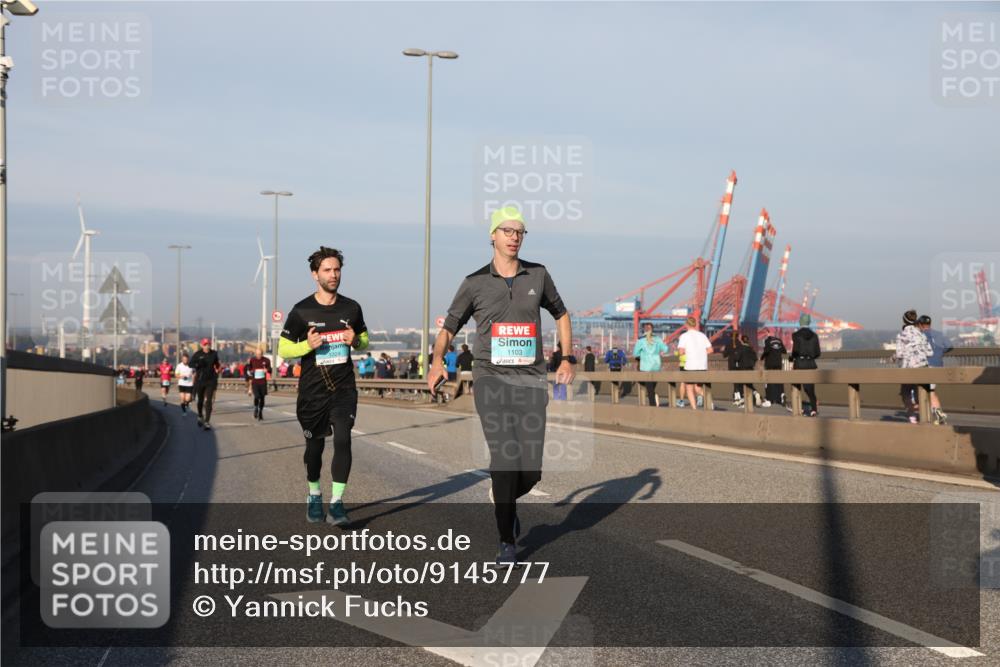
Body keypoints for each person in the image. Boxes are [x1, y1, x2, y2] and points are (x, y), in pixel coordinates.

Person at [429, 206, 574, 566]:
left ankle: (503, 493)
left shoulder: (538, 275)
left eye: (519, 232)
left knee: (531, 470)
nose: (513, 236)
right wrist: (436, 362)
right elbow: (449, 328)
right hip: (490, 379)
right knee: (506, 458)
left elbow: (562, 314)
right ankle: (506, 540)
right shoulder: (474, 282)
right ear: (492, 235)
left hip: (531, 381)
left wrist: (567, 358)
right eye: (506, 230)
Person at [278, 246, 369, 526]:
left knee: (343, 439)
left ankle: (337, 504)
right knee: (314, 449)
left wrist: (355, 340)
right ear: (314, 274)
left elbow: (364, 341)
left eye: (337, 269)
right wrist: (308, 345)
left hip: (343, 389)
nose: (333, 275)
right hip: (312, 392)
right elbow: (283, 348)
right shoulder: (301, 310)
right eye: (327, 270)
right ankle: (314, 493)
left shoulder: (351, 308)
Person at [894, 309, 932, 424]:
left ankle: (912, 417)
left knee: (905, 393)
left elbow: (899, 354)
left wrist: (893, 358)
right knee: (920, 392)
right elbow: (930, 352)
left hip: (908, 369)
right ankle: (925, 417)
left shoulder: (902, 334)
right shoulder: (921, 334)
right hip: (923, 367)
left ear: (903, 321)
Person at [918, 314, 950, 425]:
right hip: (939, 366)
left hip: (926, 366)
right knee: (932, 391)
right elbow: (949, 346)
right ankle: (935, 415)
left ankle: (937, 415)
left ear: (920, 325)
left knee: (927, 392)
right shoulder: (939, 334)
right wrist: (939, 353)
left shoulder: (920, 335)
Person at [677, 316, 713, 409]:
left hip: (690, 366)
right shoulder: (702, 335)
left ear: (686, 325)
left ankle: (694, 409)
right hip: (702, 366)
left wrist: (688, 352)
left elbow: (681, 352)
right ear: (695, 324)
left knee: (689, 388)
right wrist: (700, 353)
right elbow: (710, 350)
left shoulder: (684, 336)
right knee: (698, 388)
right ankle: (709, 401)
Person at [791, 314, 821, 417]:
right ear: (809, 322)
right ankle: (813, 409)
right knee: (810, 388)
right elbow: (818, 353)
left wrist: (793, 358)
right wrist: (811, 357)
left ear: (800, 322)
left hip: (799, 363)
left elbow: (795, 351)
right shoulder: (815, 335)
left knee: (796, 386)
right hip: (811, 364)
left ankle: (798, 408)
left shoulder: (796, 335)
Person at [633, 323, 668, 406]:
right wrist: (659, 351)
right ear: (653, 329)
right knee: (651, 387)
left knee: (648, 387)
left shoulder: (641, 340)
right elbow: (666, 349)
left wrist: (641, 355)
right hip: (656, 365)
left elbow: (635, 353)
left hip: (645, 367)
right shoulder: (658, 339)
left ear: (644, 330)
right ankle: (654, 397)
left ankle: (652, 405)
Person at [190, 337, 222, 430]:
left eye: (208, 344)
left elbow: (217, 363)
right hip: (200, 380)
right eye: (205, 344)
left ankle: (207, 421)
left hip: (210, 380)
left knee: (208, 401)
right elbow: (190, 364)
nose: (207, 346)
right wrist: (197, 364)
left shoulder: (214, 353)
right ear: (202, 345)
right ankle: (200, 415)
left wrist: (218, 368)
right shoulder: (198, 354)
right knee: (200, 400)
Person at [245, 345, 273, 421]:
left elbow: (270, 369)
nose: (258, 356)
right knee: (257, 396)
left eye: (260, 354)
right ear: (255, 354)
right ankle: (256, 408)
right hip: (255, 382)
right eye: (257, 354)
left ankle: (260, 412)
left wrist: (267, 370)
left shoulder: (266, 360)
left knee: (262, 397)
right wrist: (250, 372)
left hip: (263, 382)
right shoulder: (252, 360)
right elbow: (248, 369)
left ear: (262, 353)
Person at [734, 333, 762, 407]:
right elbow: (755, 358)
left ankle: (744, 401)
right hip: (750, 368)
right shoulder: (751, 348)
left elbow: (737, 358)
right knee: (749, 384)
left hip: (743, 369)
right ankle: (756, 393)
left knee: (741, 385)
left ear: (742, 341)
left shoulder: (741, 348)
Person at [760, 332, 787, 407]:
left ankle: (770, 399)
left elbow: (766, 351)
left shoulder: (767, 341)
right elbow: (784, 351)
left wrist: (762, 357)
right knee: (779, 381)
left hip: (770, 364)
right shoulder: (779, 340)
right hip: (778, 363)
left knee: (769, 381)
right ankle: (781, 396)